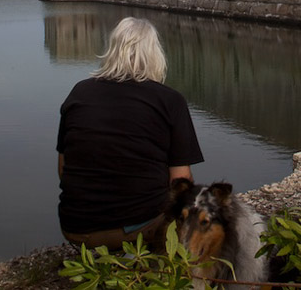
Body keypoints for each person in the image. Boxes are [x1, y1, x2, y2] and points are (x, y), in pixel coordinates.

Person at [56, 17, 204, 249]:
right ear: (155, 53)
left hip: (76, 228)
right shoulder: (170, 100)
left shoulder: (79, 92)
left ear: (112, 49)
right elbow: (180, 180)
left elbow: (63, 168)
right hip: (138, 227)